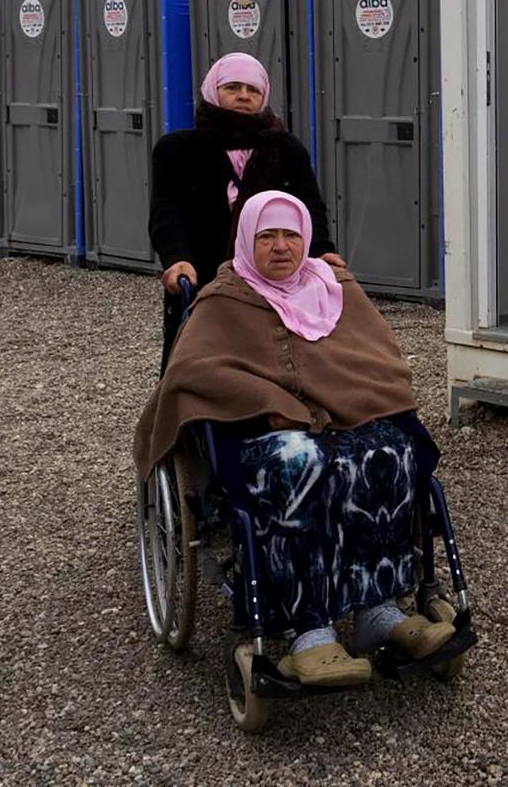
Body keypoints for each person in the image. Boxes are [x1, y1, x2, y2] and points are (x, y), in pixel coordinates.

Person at [134, 190, 453, 687]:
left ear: (305, 239)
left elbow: (382, 361)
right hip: (262, 433)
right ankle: (310, 630)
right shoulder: (223, 300)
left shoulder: (335, 287)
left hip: (342, 423)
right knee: (298, 462)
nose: (280, 247)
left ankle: (379, 611)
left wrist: (345, 406)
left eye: (291, 235)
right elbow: (195, 374)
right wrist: (278, 407)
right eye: (267, 236)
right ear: (246, 241)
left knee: (390, 453)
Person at [149, 52, 341, 368]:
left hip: (271, 276)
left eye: (252, 90)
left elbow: (309, 207)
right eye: (233, 87)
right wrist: (176, 258)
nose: (243, 96)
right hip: (202, 271)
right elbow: (166, 212)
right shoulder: (177, 150)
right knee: (196, 363)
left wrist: (320, 251)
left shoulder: (285, 148)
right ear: (214, 91)